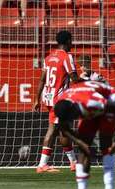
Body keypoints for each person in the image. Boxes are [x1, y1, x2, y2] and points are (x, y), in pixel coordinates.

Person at [54, 80, 115, 189]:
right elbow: (63, 127)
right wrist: (80, 143)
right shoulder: (61, 101)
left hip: (108, 102)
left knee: (106, 145)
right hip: (88, 104)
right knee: (82, 148)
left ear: (73, 109)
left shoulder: (93, 102)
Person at [33, 30, 79, 173]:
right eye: (71, 41)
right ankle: (42, 165)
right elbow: (74, 78)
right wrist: (86, 80)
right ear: (67, 42)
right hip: (59, 100)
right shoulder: (66, 57)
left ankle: (73, 163)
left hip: (48, 97)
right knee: (52, 130)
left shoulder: (48, 58)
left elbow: (42, 80)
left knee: (63, 130)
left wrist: (37, 99)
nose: (72, 43)